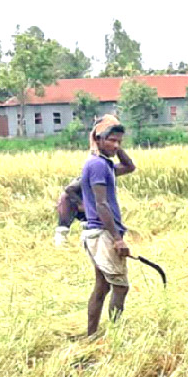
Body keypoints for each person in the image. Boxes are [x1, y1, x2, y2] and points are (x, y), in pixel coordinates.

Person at [80, 115, 137, 336]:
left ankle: (91, 335)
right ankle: (114, 335)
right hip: (102, 233)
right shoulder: (97, 165)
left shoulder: (105, 164)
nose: (116, 145)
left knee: (102, 286)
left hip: (98, 232)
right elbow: (101, 203)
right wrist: (117, 239)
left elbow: (130, 166)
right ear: (98, 139)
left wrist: (114, 147)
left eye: (119, 141)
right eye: (111, 140)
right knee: (120, 286)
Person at [54, 178, 86, 248]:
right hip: (69, 201)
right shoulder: (88, 176)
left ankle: (86, 244)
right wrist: (80, 203)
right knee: (63, 228)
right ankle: (60, 247)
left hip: (84, 202)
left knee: (88, 225)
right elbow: (69, 189)